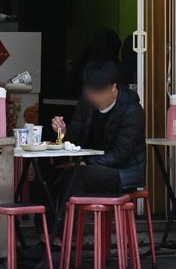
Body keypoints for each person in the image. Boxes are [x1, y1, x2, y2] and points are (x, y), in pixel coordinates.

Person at [50, 59, 147, 226]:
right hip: (92, 166)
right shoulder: (86, 103)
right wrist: (63, 132)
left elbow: (121, 155)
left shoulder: (132, 111)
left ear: (113, 87)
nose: (93, 97)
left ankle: (64, 235)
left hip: (123, 174)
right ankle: (46, 234)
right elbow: (75, 141)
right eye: (90, 92)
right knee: (49, 174)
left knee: (75, 176)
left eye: (98, 93)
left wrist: (85, 163)